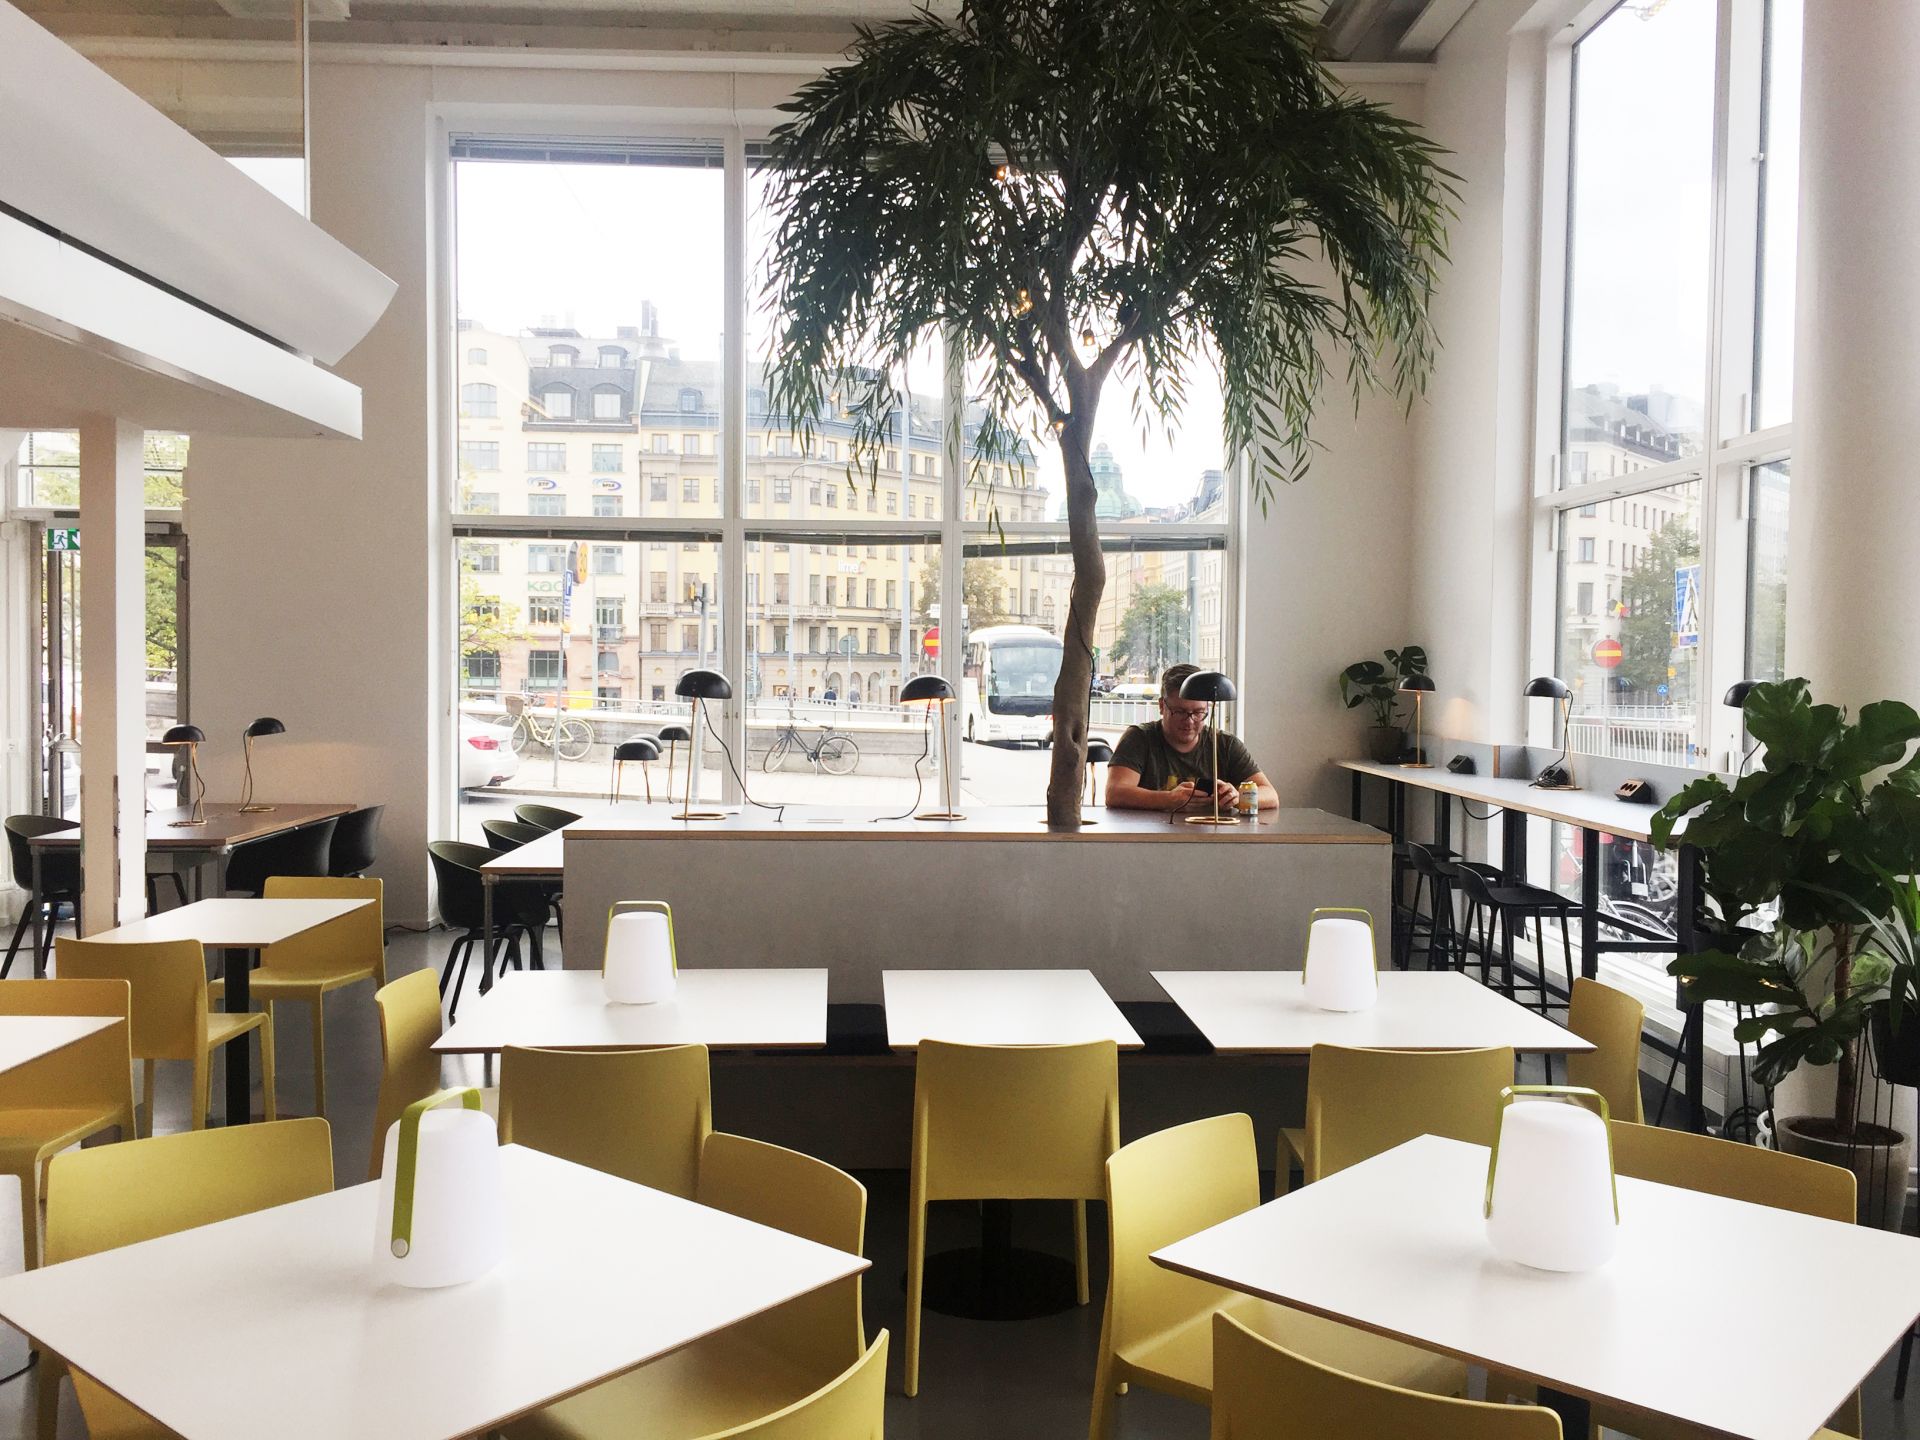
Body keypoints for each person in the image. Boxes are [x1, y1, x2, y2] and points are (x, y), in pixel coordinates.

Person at [1105, 662, 1278, 813]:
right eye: (1180, 712)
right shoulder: (1139, 738)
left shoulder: (1225, 744)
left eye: (1198, 712)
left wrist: (1238, 797)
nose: (1189, 721)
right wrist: (1169, 799)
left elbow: (1270, 795)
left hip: (1214, 837)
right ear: (1162, 706)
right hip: (1153, 837)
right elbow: (1115, 793)